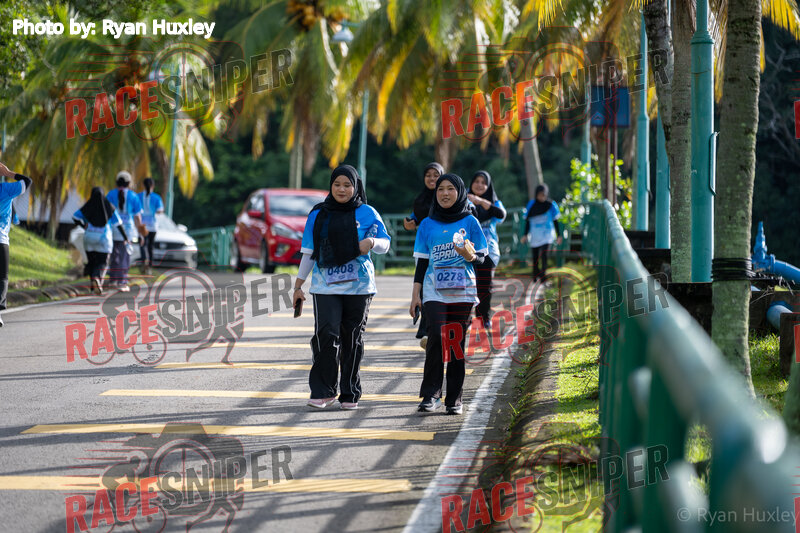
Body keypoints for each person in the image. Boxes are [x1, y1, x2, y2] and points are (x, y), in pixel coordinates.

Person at [292, 165, 391, 411]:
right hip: (325, 286)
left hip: (360, 287)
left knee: (352, 338)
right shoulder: (318, 214)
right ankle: (323, 391)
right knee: (326, 335)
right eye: (337, 184)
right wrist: (298, 285)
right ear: (331, 186)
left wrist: (371, 242)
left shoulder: (368, 213)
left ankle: (349, 392)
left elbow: (385, 244)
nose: (342, 189)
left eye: (347, 185)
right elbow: (309, 252)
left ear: (356, 187)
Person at [409, 173, 488, 415]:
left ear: (460, 192)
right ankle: (430, 395)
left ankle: (454, 399)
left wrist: (470, 255)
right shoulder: (427, 224)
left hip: (463, 292)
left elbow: (482, 257)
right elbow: (422, 263)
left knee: (455, 342)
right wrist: (415, 295)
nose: (445, 193)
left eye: (450, 189)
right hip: (434, 291)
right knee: (435, 336)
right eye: (441, 189)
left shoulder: (470, 222)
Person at [403, 162, 444, 349]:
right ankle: (429, 331)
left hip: (446, 250)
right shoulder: (420, 200)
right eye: (428, 175)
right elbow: (412, 219)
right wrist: (408, 224)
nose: (432, 178)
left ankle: (437, 330)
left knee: (442, 288)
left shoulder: (449, 197)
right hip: (425, 249)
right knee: (425, 287)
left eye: (436, 175)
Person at [468, 170, 506, 331]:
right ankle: (466, 318)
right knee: (468, 284)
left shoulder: (494, 203)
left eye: (483, 183)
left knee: (485, 285)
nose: (479, 185)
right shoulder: (463, 200)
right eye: (476, 181)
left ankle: (483, 317)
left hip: (488, 250)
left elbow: (501, 214)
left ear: (488, 186)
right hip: (467, 250)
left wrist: (480, 201)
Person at [73, 187, 129, 295]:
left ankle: (93, 287)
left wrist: (83, 226)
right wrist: (125, 238)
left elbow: (75, 217)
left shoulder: (88, 206)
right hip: (104, 239)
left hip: (89, 238)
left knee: (92, 262)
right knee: (102, 262)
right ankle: (97, 279)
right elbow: (119, 224)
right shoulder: (110, 207)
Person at [0, 162, 32, 327]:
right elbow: (27, 181)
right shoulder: (5, 189)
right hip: (1, 240)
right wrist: (8, 173)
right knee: (2, 278)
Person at [106, 171, 142, 292]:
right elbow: (137, 217)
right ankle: (122, 282)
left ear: (117, 182)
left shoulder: (110, 194)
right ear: (129, 183)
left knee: (114, 256)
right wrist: (140, 233)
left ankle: (113, 280)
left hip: (112, 230)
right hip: (127, 232)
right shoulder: (133, 196)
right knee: (124, 257)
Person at [524, 183, 562, 282]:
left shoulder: (551, 205)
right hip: (535, 235)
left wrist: (559, 235)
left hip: (547, 235)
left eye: (543, 195)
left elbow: (555, 221)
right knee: (535, 257)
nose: (542, 197)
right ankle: (535, 274)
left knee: (544, 255)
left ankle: (543, 277)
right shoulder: (531, 205)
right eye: (540, 195)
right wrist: (525, 234)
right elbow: (527, 221)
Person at [138, 177, 164, 275]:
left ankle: (143, 261)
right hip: (152, 225)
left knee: (142, 244)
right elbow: (160, 210)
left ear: (143, 185)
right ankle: (149, 266)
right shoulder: (156, 197)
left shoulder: (138, 196)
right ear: (153, 186)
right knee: (150, 246)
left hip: (142, 224)